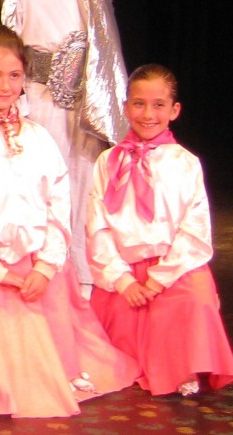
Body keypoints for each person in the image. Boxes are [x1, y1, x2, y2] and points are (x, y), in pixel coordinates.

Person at [0, 23, 137, 418]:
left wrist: (45, 266)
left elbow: (59, 205)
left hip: (36, 267)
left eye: (15, 75)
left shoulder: (39, 138)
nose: (6, 85)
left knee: (44, 349)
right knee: (3, 362)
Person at [0, 0, 128, 292]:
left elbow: (106, 42)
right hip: (40, 93)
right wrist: (16, 95)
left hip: (86, 95)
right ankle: (46, 271)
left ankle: (84, 275)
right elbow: (9, 36)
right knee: (45, 178)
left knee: (85, 179)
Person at [88, 64, 233, 397]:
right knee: (117, 325)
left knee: (192, 300)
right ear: (126, 107)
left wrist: (158, 280)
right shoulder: (107, 162)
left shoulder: (185, 163)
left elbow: (194, 231)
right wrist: (123, 280)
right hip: (125, 272)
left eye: (158, 105)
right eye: (139, 104)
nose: (148, 114)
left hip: (174, 270)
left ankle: (180, 364)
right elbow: (97, 227)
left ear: (174, 110)